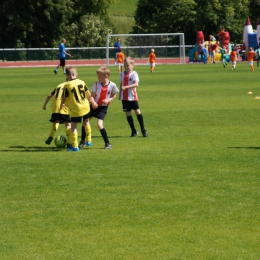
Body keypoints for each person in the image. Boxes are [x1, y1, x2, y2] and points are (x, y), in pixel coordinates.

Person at [60, 66, 91, 151]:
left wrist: (61, 105)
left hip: (76, 108)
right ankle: (89, 140)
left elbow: (64, 97)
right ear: (76, 74)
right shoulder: (82, 82)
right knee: (87, 122)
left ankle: (75, 146)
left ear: (67, 76)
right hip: (86, 106)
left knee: (73, 127)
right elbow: (89, 94)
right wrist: (92, 101)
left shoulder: (67, 85)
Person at [88, 66, 119, 149]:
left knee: (99, 124)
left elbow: (114, 95)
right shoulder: (96, 84)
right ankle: (83, 141)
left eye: (100, 77)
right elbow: (91, 96)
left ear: (106, 76)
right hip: (93, 106)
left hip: (103, 108)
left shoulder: (112, 85)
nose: (98, 79)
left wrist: (108, 100)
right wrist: (93, 102)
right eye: (98, 77)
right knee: (86, 122)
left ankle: (107, 144)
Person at [119, 56, 148, 137]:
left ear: (132, 65)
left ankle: (143, 130)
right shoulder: (122, 74)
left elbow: (136, 84)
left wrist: (126, 87)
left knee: (137, 112)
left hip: (132, 96)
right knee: (128, 114)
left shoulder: (134, 74)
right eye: (125, 65)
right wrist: (120, 94)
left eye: (128, 65)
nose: (126, 67)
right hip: (124, 97)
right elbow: (121, 83)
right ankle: (133, 131)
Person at [43, 79, 71, 146]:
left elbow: (49, 95)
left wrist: (44, 105)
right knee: (68, 124)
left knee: (56, 121)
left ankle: (50, 137)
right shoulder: (69, 86)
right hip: (62, 105)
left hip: (54, 107)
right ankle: (70, 143)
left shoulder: (59, 86)